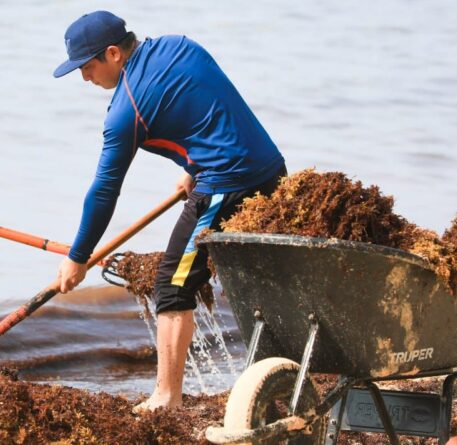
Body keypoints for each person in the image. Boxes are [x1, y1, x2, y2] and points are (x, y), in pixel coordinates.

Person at [53, 11, 287, 412]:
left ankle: (166, 396)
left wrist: (78, 256)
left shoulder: (125, 110)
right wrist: (194, 168)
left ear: (113, 53)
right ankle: (279, 375)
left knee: (172, 285)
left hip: (229, 183)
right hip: (271, 170)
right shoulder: (179, 45)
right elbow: (209, 108)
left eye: (87, 66)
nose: (85, 77)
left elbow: (105, 190)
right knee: (257, 282)